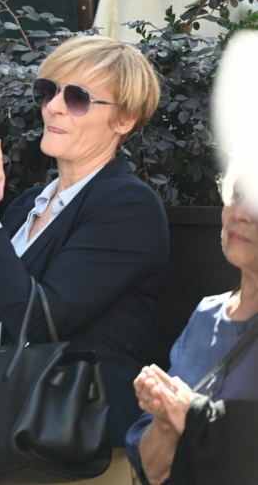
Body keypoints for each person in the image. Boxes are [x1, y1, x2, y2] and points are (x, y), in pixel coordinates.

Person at [0, 35, 168, 485]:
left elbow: (38, 323)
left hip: (74, 452)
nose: (54, 107)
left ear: (124, 119)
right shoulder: (25, 207)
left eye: (77, 98)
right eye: (47, 91)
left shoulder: (128, 207)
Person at [126, 167, 258, 485]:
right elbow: (153, 471)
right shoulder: (206, 315)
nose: (241, 213)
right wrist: (166, 418)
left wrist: (188, 410)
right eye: (237, 196)